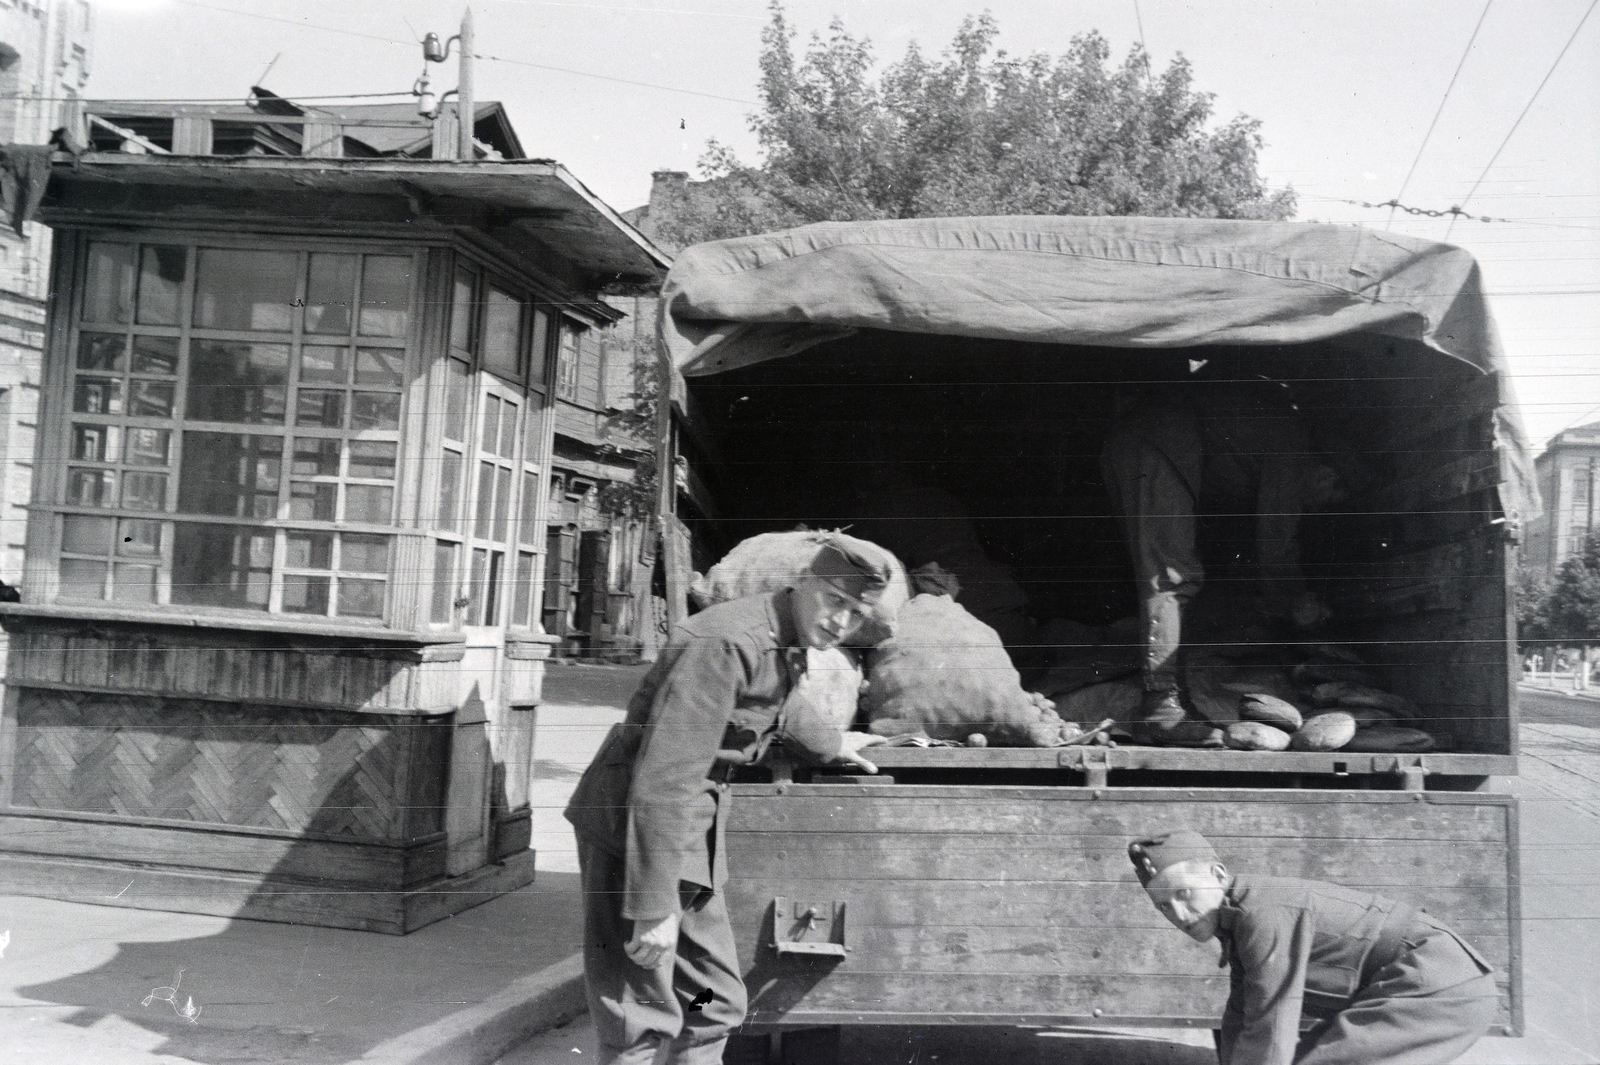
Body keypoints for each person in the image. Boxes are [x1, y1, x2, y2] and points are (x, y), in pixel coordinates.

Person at [564, 538, 893, 1065]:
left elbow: (774, 707)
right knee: (641, 1013)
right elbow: (664, 780)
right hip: (634, 832)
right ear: (804, 582)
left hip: (687, 831)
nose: (841, 623)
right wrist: (654, 907)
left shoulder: (778, 635)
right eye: (835, 600)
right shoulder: (724, 643)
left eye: (856, 614)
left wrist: (836, 745)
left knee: (710, 1002)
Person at [1100, 384, 1345, 745]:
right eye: (1329, 500)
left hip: (1142, 443)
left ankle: (1167, 701)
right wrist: (1296, 606)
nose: (1316, 509)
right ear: (1327, 476)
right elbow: (1276, 543)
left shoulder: (1270, 430)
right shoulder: (1293, 445)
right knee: (1170, 577)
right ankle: (1160, 711)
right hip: (1155, 446)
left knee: (1165, 574)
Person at [1128, 828, 1498, 1065]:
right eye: (1163, 905)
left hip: (1437, 987)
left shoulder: (1262, 914)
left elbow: (1272, 1023)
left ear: (1218, 875)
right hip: (1421, 983)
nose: (1178, 912)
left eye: (1184, 894)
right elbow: (1243, 1014)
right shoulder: (1237, 916)